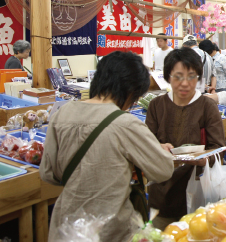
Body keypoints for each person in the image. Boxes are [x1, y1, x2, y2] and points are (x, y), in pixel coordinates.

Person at [40, 51, 175, 242]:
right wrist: (157, 150)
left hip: (66, 225)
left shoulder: (62, 114)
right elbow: (163, 170)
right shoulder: (126, 123)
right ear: (131, 90)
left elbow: (48, 174)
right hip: (110, 228)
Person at [146, 48, 225, 230]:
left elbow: (218, 148)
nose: (185, 83)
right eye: (178, 76)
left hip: (197, 193)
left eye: (191, 76)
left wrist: (204, 158)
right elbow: (147, 144)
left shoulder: (207, 106)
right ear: (167, 77)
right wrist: (158, 147)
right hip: (162, 194)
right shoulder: (157, 105)